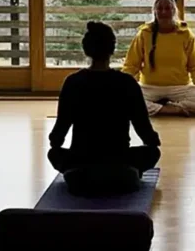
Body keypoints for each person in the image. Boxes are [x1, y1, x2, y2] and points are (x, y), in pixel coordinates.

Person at [49, 21, 161, 174]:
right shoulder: (127, 83)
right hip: (118, 160)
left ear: (86, 49)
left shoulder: (73, 82)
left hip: (82, 161)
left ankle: (79, 174)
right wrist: (154, 141)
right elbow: (144, 129)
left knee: (54, 154)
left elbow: (59, 132)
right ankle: (125, 173)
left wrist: (55, 142)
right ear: (112, 49)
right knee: (152, 153)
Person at [122, 0, 195, 116]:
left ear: (174, 11)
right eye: (160, 8)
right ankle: (169, 109)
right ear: (154, 12)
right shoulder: (144, 34)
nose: (164, 12)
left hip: (180, 87)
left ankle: (162, 108)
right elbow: (131, 65)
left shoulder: (185, 34)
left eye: (168, 8)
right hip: (149, 87)